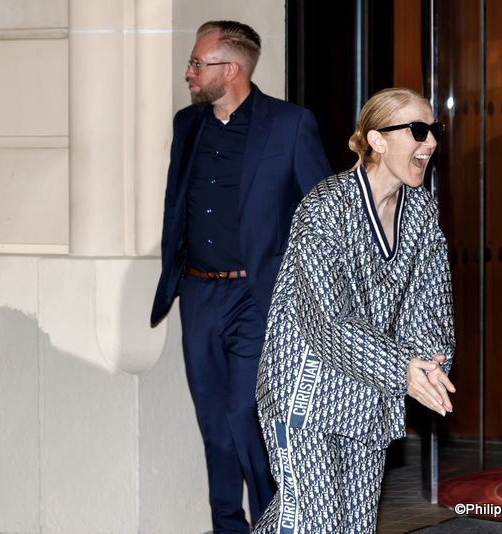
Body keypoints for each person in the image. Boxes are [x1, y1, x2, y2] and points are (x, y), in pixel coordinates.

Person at [150, 20, 332, 533]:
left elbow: (321, 217)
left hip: (258, 297)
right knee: (214, 427)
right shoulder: (188, 125)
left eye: (196, 63)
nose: (188, 72)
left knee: (245, 418)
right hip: (198, 293)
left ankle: (276, 522)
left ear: (229, 70)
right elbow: (176, 204)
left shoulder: (291, 124)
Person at [253, 88, 456, 533]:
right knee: (311, 522)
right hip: (306, 394)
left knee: (352, 528)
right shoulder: (326, 206)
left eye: (434, 131)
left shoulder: (420, 209)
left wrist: (429, 363)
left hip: (369, 397)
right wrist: (404, 369)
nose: (432, 143)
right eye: (418, 131)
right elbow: (327, 319)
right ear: (378, 140)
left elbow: (430, 302)